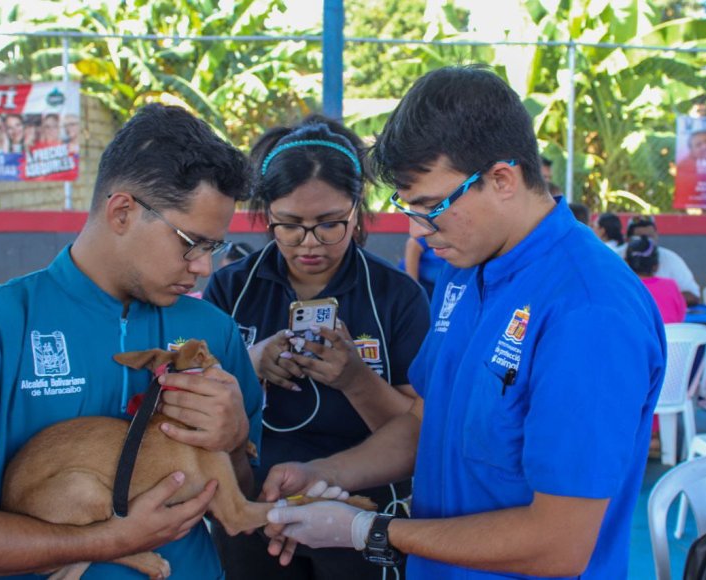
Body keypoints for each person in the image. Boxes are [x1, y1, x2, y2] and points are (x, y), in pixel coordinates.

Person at [260, 66, 666, 579]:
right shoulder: (467, 268)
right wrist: (323, 473)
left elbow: (559, 543)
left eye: (431, 206)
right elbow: (426, 423)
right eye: (408, 208)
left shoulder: (589, 312)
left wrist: (368, 530)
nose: (417, 231)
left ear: (502, 180)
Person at [0, 103, 264, 579]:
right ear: (122, 211)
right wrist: (108, 542)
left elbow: (242, 499)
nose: (203, 267)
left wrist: (232, 442)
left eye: (214, 247)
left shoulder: (213, 332)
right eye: (190, 242)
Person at [203, 115, 430, 580]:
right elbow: (202, 403)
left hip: (361, 510)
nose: (309, 244)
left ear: (357, 211)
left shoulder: (396, 296)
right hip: (255, 508)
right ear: (267, 215)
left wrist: (356, 380)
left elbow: (418, 432)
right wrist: (252, 364)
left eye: (330, 225)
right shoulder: (231, 289)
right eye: (289, 225)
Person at [617, 216, 701, 306]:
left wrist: (661, 298)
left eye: (650, 237)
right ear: (627, 239)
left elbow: (693, 295)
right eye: (639, 237)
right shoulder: (615, 257)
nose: (645, 241)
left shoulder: (670, 258)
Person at [625, 236, 686, 324]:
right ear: (656, 265)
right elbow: (680, 317)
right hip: (672, 333)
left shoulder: (623, 288)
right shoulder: (671, 285)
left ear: (626, 263)